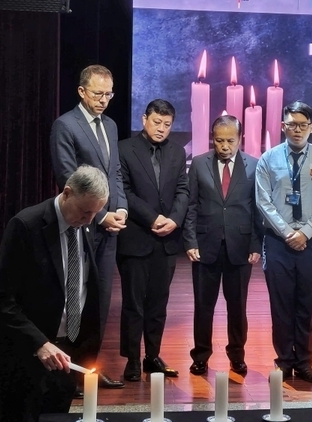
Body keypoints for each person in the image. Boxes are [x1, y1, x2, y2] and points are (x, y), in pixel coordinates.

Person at [0, 165, 109, 422]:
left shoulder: (85, 224)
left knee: (56, 418)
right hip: (27, 356)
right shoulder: (26, 225)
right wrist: (39, 343)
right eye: (85, 212)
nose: (89, 220)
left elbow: (84, 286)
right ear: (67, 193)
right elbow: (1, 297)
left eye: (95, 213)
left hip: (68, 354)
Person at [50, 64, 126, 390]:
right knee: (75, 298)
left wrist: (120, 208)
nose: (104, 100)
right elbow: (68, 177)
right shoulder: (65, 125)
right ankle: (69, 373)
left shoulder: (110, 125)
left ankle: (89, 371)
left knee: (100, 300)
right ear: (82, 91)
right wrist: (102, 213)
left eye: (109, 94)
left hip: (109, 228)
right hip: (80, 225)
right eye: (98, 93)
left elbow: (115, 173)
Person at [255, 101, 312, 383]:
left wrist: (306, 232)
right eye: (292, 124)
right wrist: (287, 232)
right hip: (277, 241)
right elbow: (263, 201)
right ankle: (283, 361)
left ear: (311, 128)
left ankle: (304, 362)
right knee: (281, 306)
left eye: (303, 125)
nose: (297, 130)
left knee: (306, 305)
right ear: (283, 126)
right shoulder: (268, 159)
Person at [183, 115, 262, 376]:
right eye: (219, 140)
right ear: (212, 139)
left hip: (240, 247)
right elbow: (191, 206)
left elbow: (257, 210)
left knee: (237, 307)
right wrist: (190, 240)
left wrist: (255, 244)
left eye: (230, 140)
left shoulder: (254, 165)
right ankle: (200, 356)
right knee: (203, 306)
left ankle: (237, 355)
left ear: (240, 139)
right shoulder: (199, 163)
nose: (224, 146)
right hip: (205, 246)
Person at [117, 99, 189, 380]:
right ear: (144, 119)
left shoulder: (177, 152)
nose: (161, 129)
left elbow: (183, 190)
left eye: (167, 124)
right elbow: (124, 191)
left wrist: (175, 219)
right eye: (157, 122)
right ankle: (132, 359)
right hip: (136, 238)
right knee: (133, 304)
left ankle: (152, 356)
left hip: (167, 239)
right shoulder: (124, 149)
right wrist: (152, 218)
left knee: (159, 303)